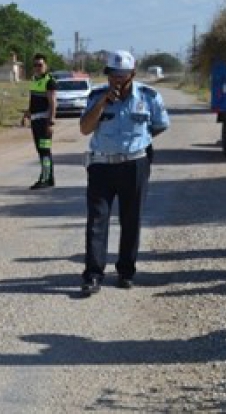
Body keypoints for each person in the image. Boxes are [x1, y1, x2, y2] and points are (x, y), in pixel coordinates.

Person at [79, 50, 170, 296]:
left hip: (134, 165)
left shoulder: (149, 96)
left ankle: (125, 272)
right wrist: (102, 104)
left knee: (131, 219)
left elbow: (159, 125)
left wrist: (138, 145)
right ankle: (93, 275)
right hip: (101, 165)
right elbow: (85, 129)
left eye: (122, 76)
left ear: (132, 74)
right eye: (112, 75)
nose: (117, 80)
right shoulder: (97, 95)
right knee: (97, 220)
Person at [22, 53, 57, 189]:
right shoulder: (35, 80)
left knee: (44, 150)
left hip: (44, 122)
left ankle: (45, 178)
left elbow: (53, 103)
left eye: (40, 65)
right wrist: (27, 114)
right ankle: (49, 177)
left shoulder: (49, 81)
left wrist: (51, 122)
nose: (37, 67)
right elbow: (33, 102)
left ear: (46, 65)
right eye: (35, 65)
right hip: (35, 121)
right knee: (41, 150)